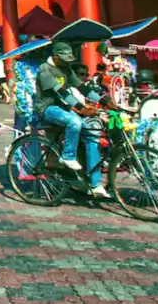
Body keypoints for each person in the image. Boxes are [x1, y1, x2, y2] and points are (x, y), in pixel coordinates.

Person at [37, 42, 108, 199]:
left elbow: (83, 88)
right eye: (64, 58)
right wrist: (81, 108)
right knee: (74, 121)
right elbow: (61, 92)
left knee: (92, 136)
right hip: (48, 108)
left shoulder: (66, 69)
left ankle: (95, 184)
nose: (67, 61)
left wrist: (104, 100)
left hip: (65, 108)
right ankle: (68, 156)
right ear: (55, 56)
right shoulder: (44, 70)